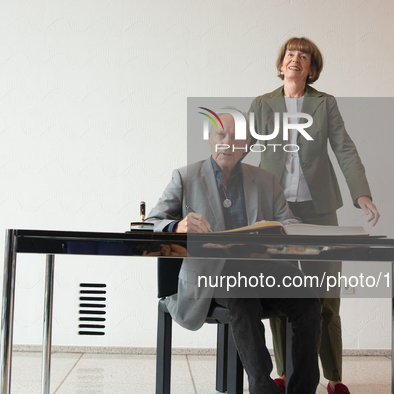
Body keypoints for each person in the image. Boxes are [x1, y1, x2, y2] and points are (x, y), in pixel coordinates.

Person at [146, 113, 322, 394]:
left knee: (308, 298)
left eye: (236, 137)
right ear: (209, 139)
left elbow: (289, 222)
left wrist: (283, 231)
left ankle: (301, 389)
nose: (227, 143)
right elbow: (149, 223)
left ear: (248, 143)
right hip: (211, 276)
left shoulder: (266, 179)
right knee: (241, 291)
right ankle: (262, 387)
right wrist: (177, 225)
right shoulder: (185, 177)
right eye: (220, 135)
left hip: (262, 269)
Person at [248, 37, 380, 394]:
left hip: (319, 210)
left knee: (325, 297)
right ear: (281, 64)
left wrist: (361, 192)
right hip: (275, 212)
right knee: (277, 289)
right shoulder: (263, 104)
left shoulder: (325, 104)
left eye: (303, 55)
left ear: (312, 67)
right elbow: (238, 146)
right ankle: (282, 372)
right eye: (290, 54)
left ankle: (334, 377)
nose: (296, 59)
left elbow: (344, 148)